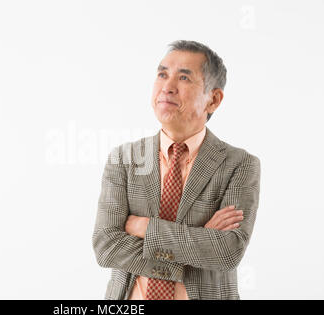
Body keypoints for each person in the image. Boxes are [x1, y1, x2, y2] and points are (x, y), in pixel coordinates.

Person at [92, 40, 261, 300]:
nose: (167, 87)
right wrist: (199, 242)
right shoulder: (123, 159)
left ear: (213, 99)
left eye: (183, 78)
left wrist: (145, 227)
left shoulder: (239, 164)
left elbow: (228, 251)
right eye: (162, 75)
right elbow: (107, 247)